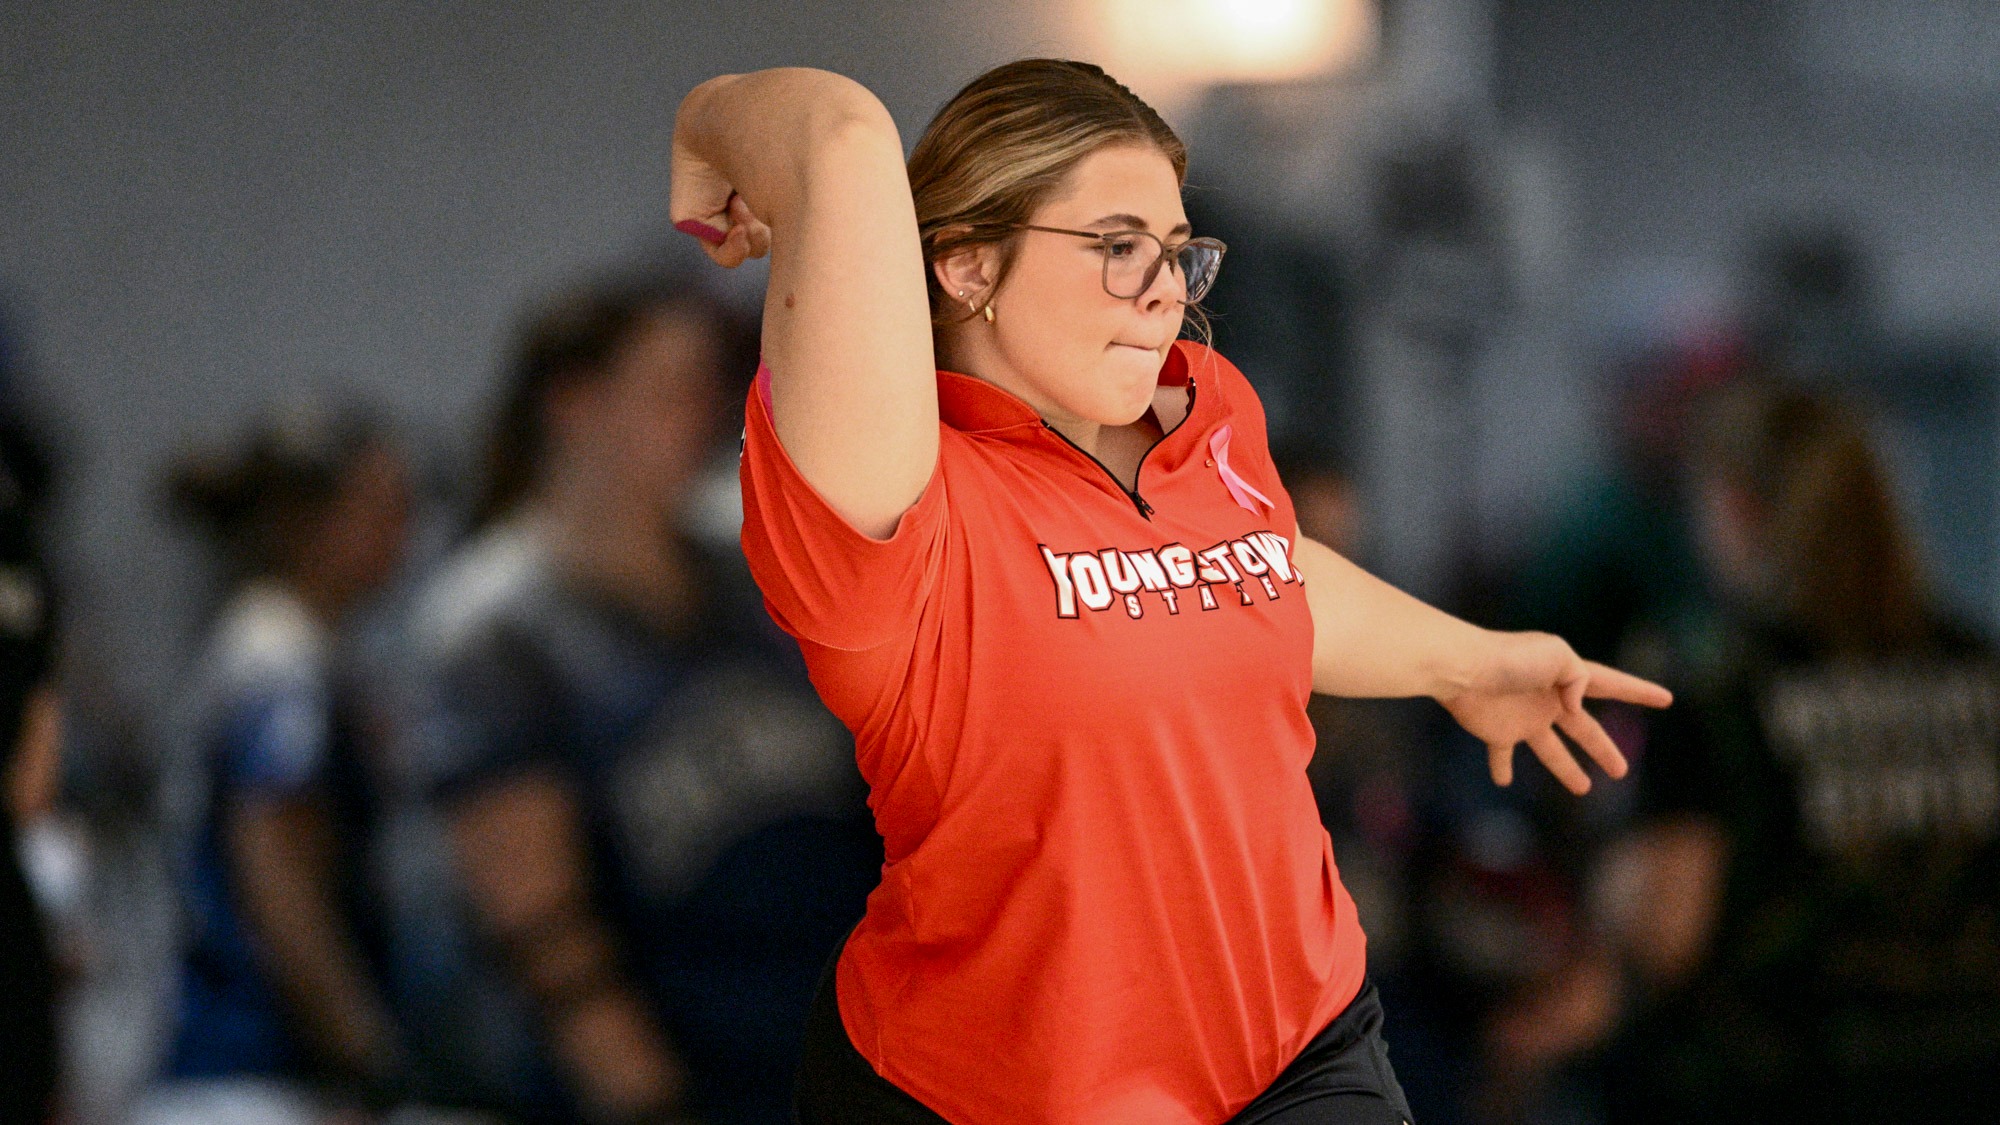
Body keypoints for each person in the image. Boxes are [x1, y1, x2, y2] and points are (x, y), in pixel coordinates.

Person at [667, 59, 1672, 1125]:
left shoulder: (1202, 413)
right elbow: (839, 134)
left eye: (1174, 254)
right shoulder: (900, 504)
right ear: (965, 266)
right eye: (1113, 248)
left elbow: (1254, 574)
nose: (1162, 292)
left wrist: (1463, 660)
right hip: (998, 1092)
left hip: (1300, 1049)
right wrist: (708, 138)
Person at [407, 274, 878, 1125]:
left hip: (828, 1054)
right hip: (668, 1080)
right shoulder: (497, 627)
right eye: (670, 389)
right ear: (575, 404)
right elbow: (542, 928)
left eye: (709, 388)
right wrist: (648, 1098)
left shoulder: (747, 573)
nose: (699, 415)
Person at [1596, 379, 2000, 1124]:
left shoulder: (1719, 683)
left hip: (1789, 1080)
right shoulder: (1979, 663)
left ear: (1737, 505)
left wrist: (1608, 888)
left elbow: (1668, 934)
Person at [140, 402, 413, 1125]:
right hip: (255, 1072)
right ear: (304, 522)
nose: (404, 536)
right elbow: (277, 872)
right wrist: (362, 1043)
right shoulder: (278, 662)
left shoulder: (297, 648)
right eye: (382, 509)